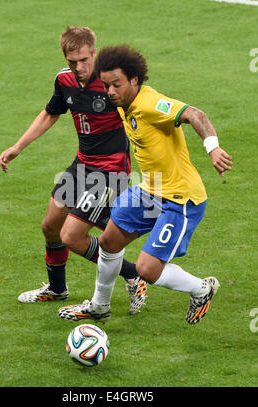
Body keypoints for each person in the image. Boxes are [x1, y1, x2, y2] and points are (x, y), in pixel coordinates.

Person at [58, 44, 233, 325]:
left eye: (116, 84)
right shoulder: (122, 103)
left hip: (180, 199)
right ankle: (99, 306)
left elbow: (196, 114)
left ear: (135, 80)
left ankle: (202, 288)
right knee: (108, 241)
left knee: (147, 269)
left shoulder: (151, 104)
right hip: (150, 190)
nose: (110, 91)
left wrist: (212, 148)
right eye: (106, 85)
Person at [0, 29, 148, 314]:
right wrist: (18, 147)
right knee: (50, 226)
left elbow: (141, 112)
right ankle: (57, 289)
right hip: (83, 163)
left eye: (83, 60)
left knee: (72, 236)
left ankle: (133, 275)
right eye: (71, 61)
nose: (78, 67)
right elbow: (51, 112)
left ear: (94, 53)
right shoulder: (64, 79)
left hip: (110, 170)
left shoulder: (110, 84)